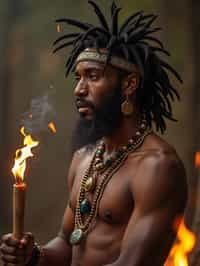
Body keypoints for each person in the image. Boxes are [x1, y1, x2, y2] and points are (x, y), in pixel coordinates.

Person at [0, 1, 187, 266]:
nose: (79, 89)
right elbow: (66, 244)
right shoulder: (84, 158)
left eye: (92, 76)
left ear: (129, 84)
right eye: (78, 77)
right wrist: (33, 256)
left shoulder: (157, 167)